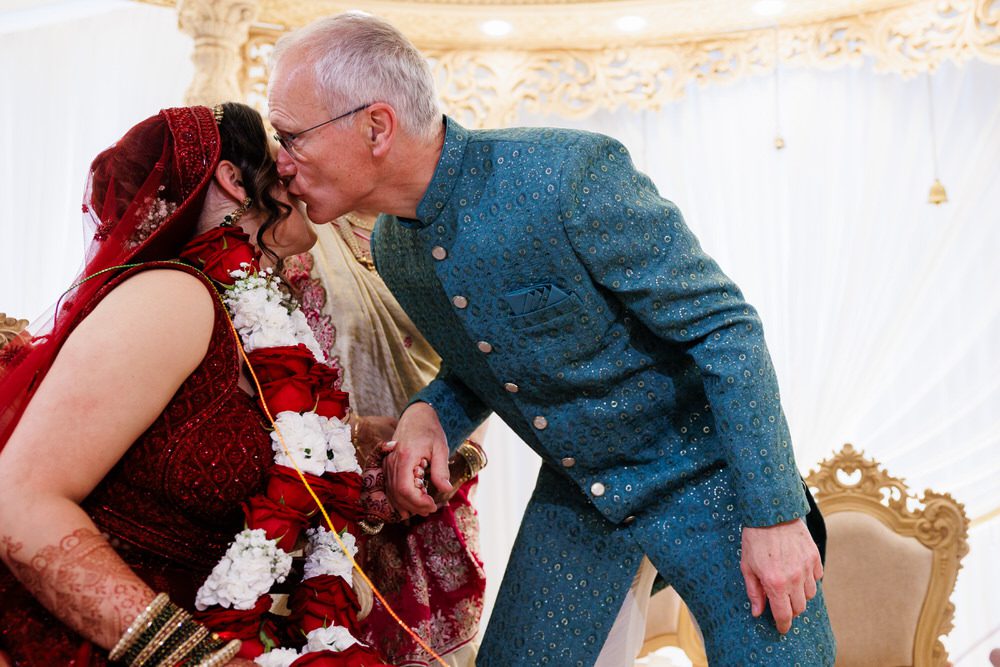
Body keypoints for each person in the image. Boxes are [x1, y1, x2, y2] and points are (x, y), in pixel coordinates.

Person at [267, 12, 837, 667]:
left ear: (376, 126)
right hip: (578, 500)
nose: (281, 163)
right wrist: (433, 410)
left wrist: (774, 517)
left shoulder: (566, 176)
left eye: (291, 135)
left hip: (711, 483)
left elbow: (724, 329)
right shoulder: (396, 247)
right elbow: (483, 357)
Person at [0, 104, 317, 666]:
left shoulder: (255, 319)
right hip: (101, 641)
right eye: (278, 154)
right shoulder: (172, 296)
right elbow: (17, 504)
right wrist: (198, 658)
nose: (295, 170)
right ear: (231, 178)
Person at [282, 214, 488, 666]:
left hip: (432, 499)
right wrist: (353, 434)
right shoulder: (288, 222)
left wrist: (461, 456)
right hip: (316, 512)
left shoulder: (443, 224)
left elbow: (479, 364)